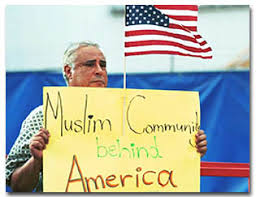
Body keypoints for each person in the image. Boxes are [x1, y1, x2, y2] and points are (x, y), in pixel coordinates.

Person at [6, 41, 207, 192]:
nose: (99, 71)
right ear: (69, 71)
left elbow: (153, 162)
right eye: (90, 65)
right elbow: (16, 185)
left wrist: (188, 149)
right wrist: (36, 160)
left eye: (103, 65)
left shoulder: (130, 117)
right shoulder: (43, 117)